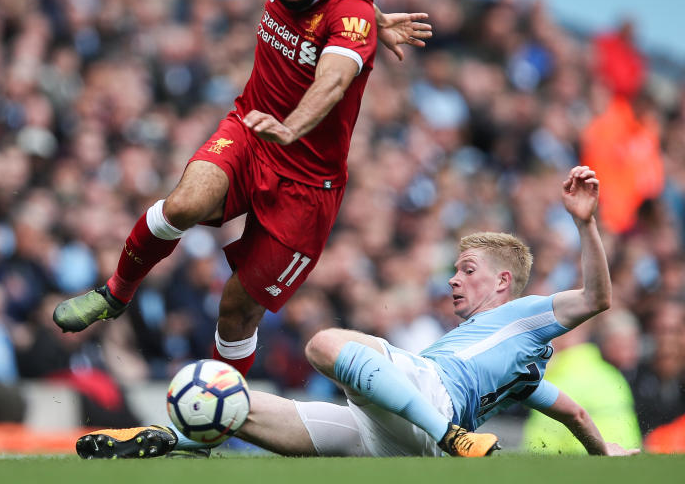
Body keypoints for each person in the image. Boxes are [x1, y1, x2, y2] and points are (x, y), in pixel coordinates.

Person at [52, 0, 432, 376]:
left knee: (235, 310)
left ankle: (207, 430)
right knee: (184, 203)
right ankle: (115, 293)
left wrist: (292, 126)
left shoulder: (350, 15)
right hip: (250, 132)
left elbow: (332, 80)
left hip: (308, 185)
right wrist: (377, 17)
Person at [75, 166, 641, 458]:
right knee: (240, 409)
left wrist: (585, 223)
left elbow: (596, 299)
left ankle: (453, 437)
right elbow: (574, 414)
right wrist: (605, 452)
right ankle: (169, 440)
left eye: (467, 268)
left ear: (503, 282)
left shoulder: (525, 315)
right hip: (396, 435)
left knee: (324, 343)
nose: (452, 277)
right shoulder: (522, 370)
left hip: (432, 408)